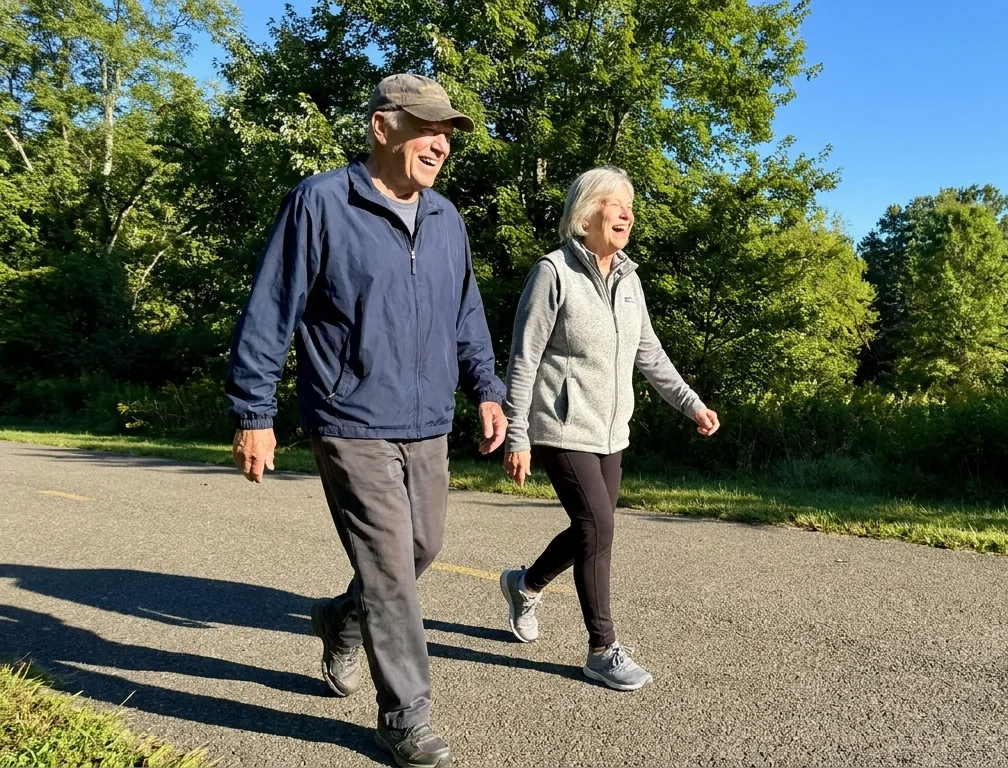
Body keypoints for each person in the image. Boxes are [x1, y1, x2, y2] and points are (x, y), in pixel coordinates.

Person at [225, 73, 506, 768]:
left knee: (421, 550)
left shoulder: (445, 219)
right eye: (429, 127)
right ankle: (405, 716)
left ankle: (339, 618)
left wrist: (487, 388)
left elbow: (465, 312)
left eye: (447, 133)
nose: (441, 143)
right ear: (383, 127)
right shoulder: (320, 202)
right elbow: (271, 309)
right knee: (388, 567)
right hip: (350, 417)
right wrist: (253, 411)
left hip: (428, 416)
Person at [498, 166, 720, 691]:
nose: (627, 213)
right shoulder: (552, 273)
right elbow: (524, 359)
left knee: (589, 529)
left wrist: (690, 403)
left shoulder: (629, 278)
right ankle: (602, 648)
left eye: (630, 206)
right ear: (587, 210)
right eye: (616, 203)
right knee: (599, 527)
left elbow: (649, 351)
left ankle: (525, 585)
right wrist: (516, 434)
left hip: (610, 430)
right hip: (560, 425)